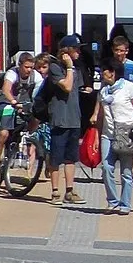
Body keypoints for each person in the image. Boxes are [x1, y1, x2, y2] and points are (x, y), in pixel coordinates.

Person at [39, 35, 86, 205]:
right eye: (76, 49)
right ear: (66, 51)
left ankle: (70, 190)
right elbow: (66, 86)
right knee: (56, 157)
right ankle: (55, 192)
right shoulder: (54, 68)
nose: (79, 52)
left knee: (71, 158)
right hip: (60, 118)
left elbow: (76, 88)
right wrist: (69, 67)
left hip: (74, 118)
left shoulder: (76, 70)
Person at [94, 56, 133, 214]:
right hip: (107, 134)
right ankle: (112, 201)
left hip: (125, 134)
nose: (102, 74)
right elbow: (100, 116)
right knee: (107, 168)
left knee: (126, 171)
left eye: (104, 71)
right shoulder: (103, 91)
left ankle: (125, 204)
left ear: (112, 72)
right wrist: (97, 135)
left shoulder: (128, 87)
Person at [0, 52, 37, 182]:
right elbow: (6, 89)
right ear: (20, 65)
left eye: (31, 67)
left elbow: (40, 91)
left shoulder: (35, 76)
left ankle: (28, 139)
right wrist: (13, 102)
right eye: (26, 67)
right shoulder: (12, 73)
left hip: (23, 103)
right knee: (3, 134)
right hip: (6, 102)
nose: (29, 70)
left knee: (36, 119)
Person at [107, 34, 133, 184]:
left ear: (127, 51)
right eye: (116, 50)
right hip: (114, 107)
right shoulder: (110, 65)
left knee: (129, 139)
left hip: (129, 107)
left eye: (121, 50)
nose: (119, 53)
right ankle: (131, 173)